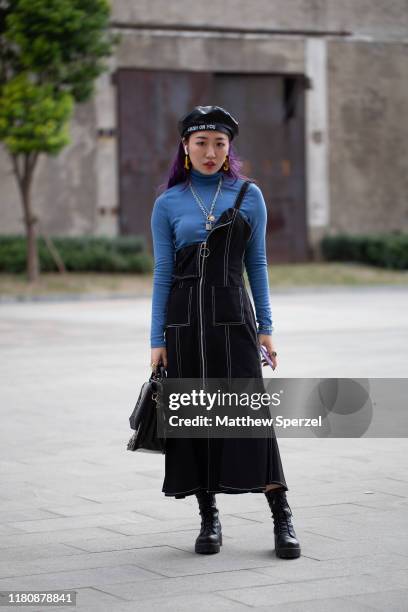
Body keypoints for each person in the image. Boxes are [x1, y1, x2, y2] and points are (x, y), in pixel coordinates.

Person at [149, 105, 300, 559]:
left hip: (234, 319)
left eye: (219, 143)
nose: (211, 152)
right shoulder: (168, 202)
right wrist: (157, 340)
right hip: (184, 323)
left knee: (251, 420)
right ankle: (208, 517)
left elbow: (257, 265)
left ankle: (282, 514)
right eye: (201, 143)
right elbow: (161, 274)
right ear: (186, 147)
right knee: (197, 421)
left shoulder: (249, 195)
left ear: (229, 147)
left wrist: (267, 328)